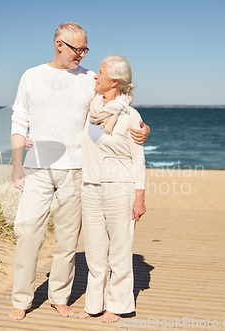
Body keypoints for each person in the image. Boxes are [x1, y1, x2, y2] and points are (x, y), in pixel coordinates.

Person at [9, 22, 149, 321]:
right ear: (59, 44)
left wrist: (143, 128)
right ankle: (21, 299)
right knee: (28, 235)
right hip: (36, 167)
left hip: (76, 170)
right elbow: (19, 120)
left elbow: (118, 102)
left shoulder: (90, 79)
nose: (83, 56)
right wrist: (17, 164)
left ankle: (59, 297)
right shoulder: (31, 76)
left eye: (86, 49)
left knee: (67, 241)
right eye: (78, 49)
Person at [77, 54, 146, 323]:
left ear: (114, 81)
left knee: (119, 250)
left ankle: (116, 305)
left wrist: (139, 196)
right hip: (90, 186)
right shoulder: (91, 108)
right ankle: (94, 304)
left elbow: (138, 158)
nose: (95, 75)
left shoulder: (130, 115)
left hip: (121, 188)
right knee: (94, 250)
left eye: (101, 72)